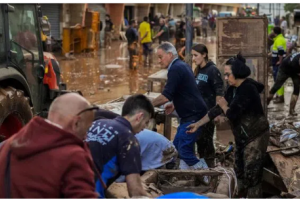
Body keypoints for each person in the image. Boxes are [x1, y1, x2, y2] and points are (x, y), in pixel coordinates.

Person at [187, 54, 270, 198]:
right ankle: (240, 195)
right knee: (239, 170)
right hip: (242, 136)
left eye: (227, 74)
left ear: (237, 73)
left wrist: (224, 105)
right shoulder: (233, 88)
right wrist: (198, 124)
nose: (225, 78)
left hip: (256, 136)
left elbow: (231, 114)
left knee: (252, 175)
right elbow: (217, 109)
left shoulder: (248, 89)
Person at [0, 93, 99, 198]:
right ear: (76, 123)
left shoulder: (7, 145)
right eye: (87, 129)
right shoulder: (74, 156)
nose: (86, 136)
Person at [151, 42, 209, 178]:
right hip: (190, 114)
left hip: (193, 116)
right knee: (175, 149)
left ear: (170, 55)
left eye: (160, 57)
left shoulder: (175, 69)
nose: (159, 61)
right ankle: (183, 176)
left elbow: (165, 96)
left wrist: (146, 105)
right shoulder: (181, 65)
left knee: (184, 151)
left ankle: (207, 176)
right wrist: (175, 104)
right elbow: (186, 90)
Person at [86, 94, 154, 198]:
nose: (144, 128)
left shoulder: (97, 123)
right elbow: (136, 193)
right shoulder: (129, 140)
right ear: (139, 117)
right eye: (146, 122)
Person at [192, 44, 224, 167]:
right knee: (199, 141)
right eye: (193, 55)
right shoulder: (198, 70)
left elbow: (219, 92)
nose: (194, 58)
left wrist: (217, 113)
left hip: (209, 113)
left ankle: (210, 167)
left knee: (207, 141)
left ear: (204, 55)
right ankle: (202, 167)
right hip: (198, 113)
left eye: (196, 55)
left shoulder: (212, 70)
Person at [271, 27, 287, 103]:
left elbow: (281, 51)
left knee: (278, 79)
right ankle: (278, 95)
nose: (271, 32)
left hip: (278, 62)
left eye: (272, 31)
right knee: (277, 79)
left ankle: (280, 97)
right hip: (277, 61)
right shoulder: (278, 39)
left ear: (275, 32)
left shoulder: (279, 39)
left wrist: (279, 61)